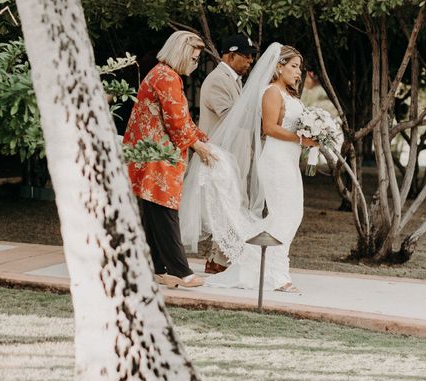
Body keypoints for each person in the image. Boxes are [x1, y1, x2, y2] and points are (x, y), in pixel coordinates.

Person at [180, 43, 318, 292]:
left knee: (292, 215)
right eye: (294, 67)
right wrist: (300, 138)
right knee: (283, 215)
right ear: (279, 66)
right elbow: (269, 128)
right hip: (276, 161)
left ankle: (256, 264)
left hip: (289, 159)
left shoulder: (288, 95)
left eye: (300, 67)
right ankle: (279, 275)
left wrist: (314, 132)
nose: (299, 72)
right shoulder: (271, 92)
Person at [124, 30, 216, 289]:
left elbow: (179, 118)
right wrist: (197, 145)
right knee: (165, 212)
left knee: (154, 213)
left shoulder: (160, 74)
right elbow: (176, 122)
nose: (195, 65)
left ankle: (158, 268)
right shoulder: (168, 77)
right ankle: (180, 271)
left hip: (150, 154)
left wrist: (199, 136)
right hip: (157, 157)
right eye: (194, 59)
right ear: (182, 54)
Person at [198, 34, 256, 274]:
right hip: (220, 155)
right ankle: (220, 260)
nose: (251, 61)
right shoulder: (217, 80)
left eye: (252, 57)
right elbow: (232, 118)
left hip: (234, 155)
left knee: (231, 205)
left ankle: (217, 259)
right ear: (231, 55)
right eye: (247, 56)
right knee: (227, 205)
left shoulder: (235, 80)